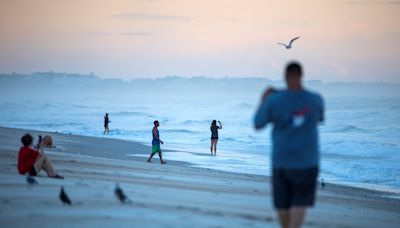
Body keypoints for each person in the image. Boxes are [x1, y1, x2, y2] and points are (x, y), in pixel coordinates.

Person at [254, 62, 324, 228]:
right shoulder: (315, 99)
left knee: (283, 205)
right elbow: (319, 118)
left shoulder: (274, 100)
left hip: (282, 160)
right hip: (307, 161)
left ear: (285, 76)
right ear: (301, 75)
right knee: (300, 202)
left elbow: (258, 124)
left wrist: (264, 100)